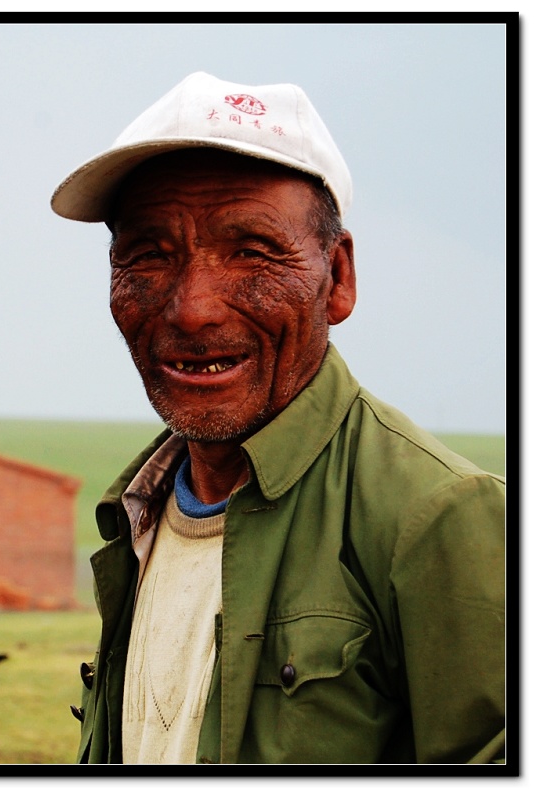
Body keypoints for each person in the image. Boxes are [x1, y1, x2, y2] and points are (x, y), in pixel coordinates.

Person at [50, 72, 505, 765]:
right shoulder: (139, 510)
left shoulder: (436, 514)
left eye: (251, 251)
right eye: (148, 255)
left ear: (337, 278)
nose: (191, 308)